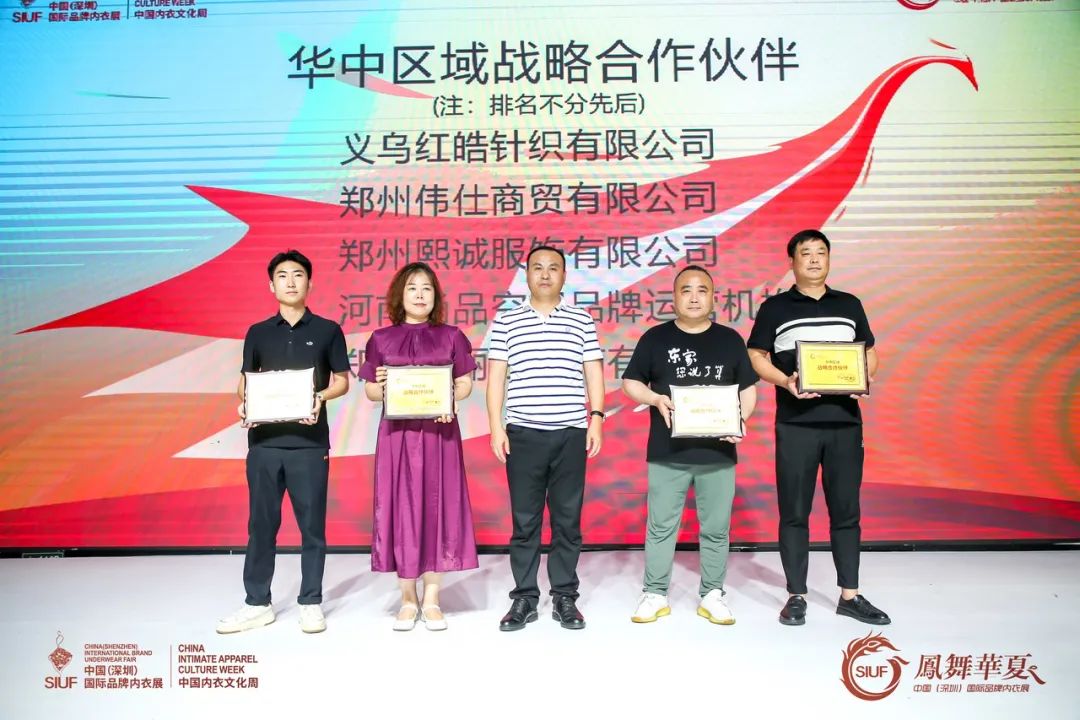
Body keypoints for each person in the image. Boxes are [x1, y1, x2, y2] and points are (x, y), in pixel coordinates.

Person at [747, 229, 890, 626]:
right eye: (806, 253)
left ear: (829, 259)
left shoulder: (849, 304)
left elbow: (870, 352)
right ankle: (796, 595)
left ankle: (850, 595)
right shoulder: (775, 307)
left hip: (845, 423)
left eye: (821, 252)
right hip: (796, 424)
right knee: (794, 512)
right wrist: (785, 381)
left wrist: (864, 376)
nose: (814, 259)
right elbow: (756, 355)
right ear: (792, 261)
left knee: (846, 511)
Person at [217, 250, 351, 635]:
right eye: (282, 275)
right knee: (261, 526)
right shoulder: (258, 332)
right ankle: (257, 603)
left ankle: (311, 601)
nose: (290, 282)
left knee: (312, 528)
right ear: (271, 285)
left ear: (310, 282)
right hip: (264, 444)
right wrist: (245, 403)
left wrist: (319, 397)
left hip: (309, 444)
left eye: (297, 275)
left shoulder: (327, 330)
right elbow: (246, 380)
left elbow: (342, 381)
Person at [621, 265, 757, 625]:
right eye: (686, 290)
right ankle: (655, 593)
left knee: (716, 528)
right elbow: (631, 382)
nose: (694, 297)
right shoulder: (655, 338)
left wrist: (741, 420)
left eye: (702, 290)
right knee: (661, 526)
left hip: (718, 452)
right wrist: (654, 398)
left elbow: (747, 389)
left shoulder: (730, 339)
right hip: (668, 452)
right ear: (674, 297)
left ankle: (712, 593)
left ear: (713, 298)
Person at [486, 246, 604, 631]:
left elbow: (593, 371)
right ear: (527, 275)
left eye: (553, 268)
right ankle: (524, 598)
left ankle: (565, 596)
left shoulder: (581, 319)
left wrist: (596, 419)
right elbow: (496, 377)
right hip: (523, 433)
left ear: (565, 276)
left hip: (570, 432)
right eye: (537, 268)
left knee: (568, 520)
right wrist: (496, 426)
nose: (545, 274)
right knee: (525, 521)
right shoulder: (507, 320)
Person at [358, 262, 479, 631]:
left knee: (439, 508)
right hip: (397, 438)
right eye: (412, 287)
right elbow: (370, 391)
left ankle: (432, 599)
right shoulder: (380, 339)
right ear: (401, 295)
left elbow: (465, 383)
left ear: (436, 296)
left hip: (440, 435)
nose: (420, 294)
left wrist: (450, 399)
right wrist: (380, 385)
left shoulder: (452, 336)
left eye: (427, 288)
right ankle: (408, 599)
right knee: (401, 509)